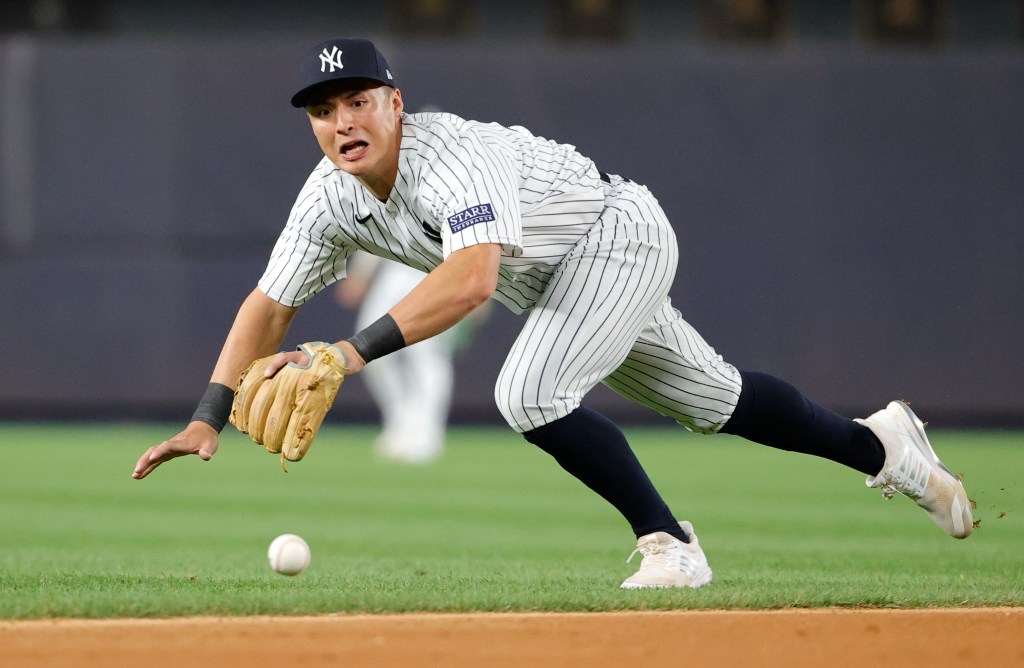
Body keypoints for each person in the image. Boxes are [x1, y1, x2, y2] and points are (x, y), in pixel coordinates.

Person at [133, 37, 974, 589]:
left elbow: (468, 281)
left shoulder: (451, 156)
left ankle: (669, 545)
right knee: (716, 401)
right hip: (551, 280)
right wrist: (208, 417)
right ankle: (889, 449)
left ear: (395, 101)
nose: (341, 121)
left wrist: (345, 358)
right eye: (324, 110)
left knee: (529, 393)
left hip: (616, 234)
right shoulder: (329, 198)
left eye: (357, 100)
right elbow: (268, 303)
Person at [334, 252, 485, 464]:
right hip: (396, 269)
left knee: (428, 356)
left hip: (437, 271)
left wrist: (480, 280)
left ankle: (428, 433)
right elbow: (380, 223)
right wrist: (361, 273)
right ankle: (400, 423)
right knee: (366, 349)